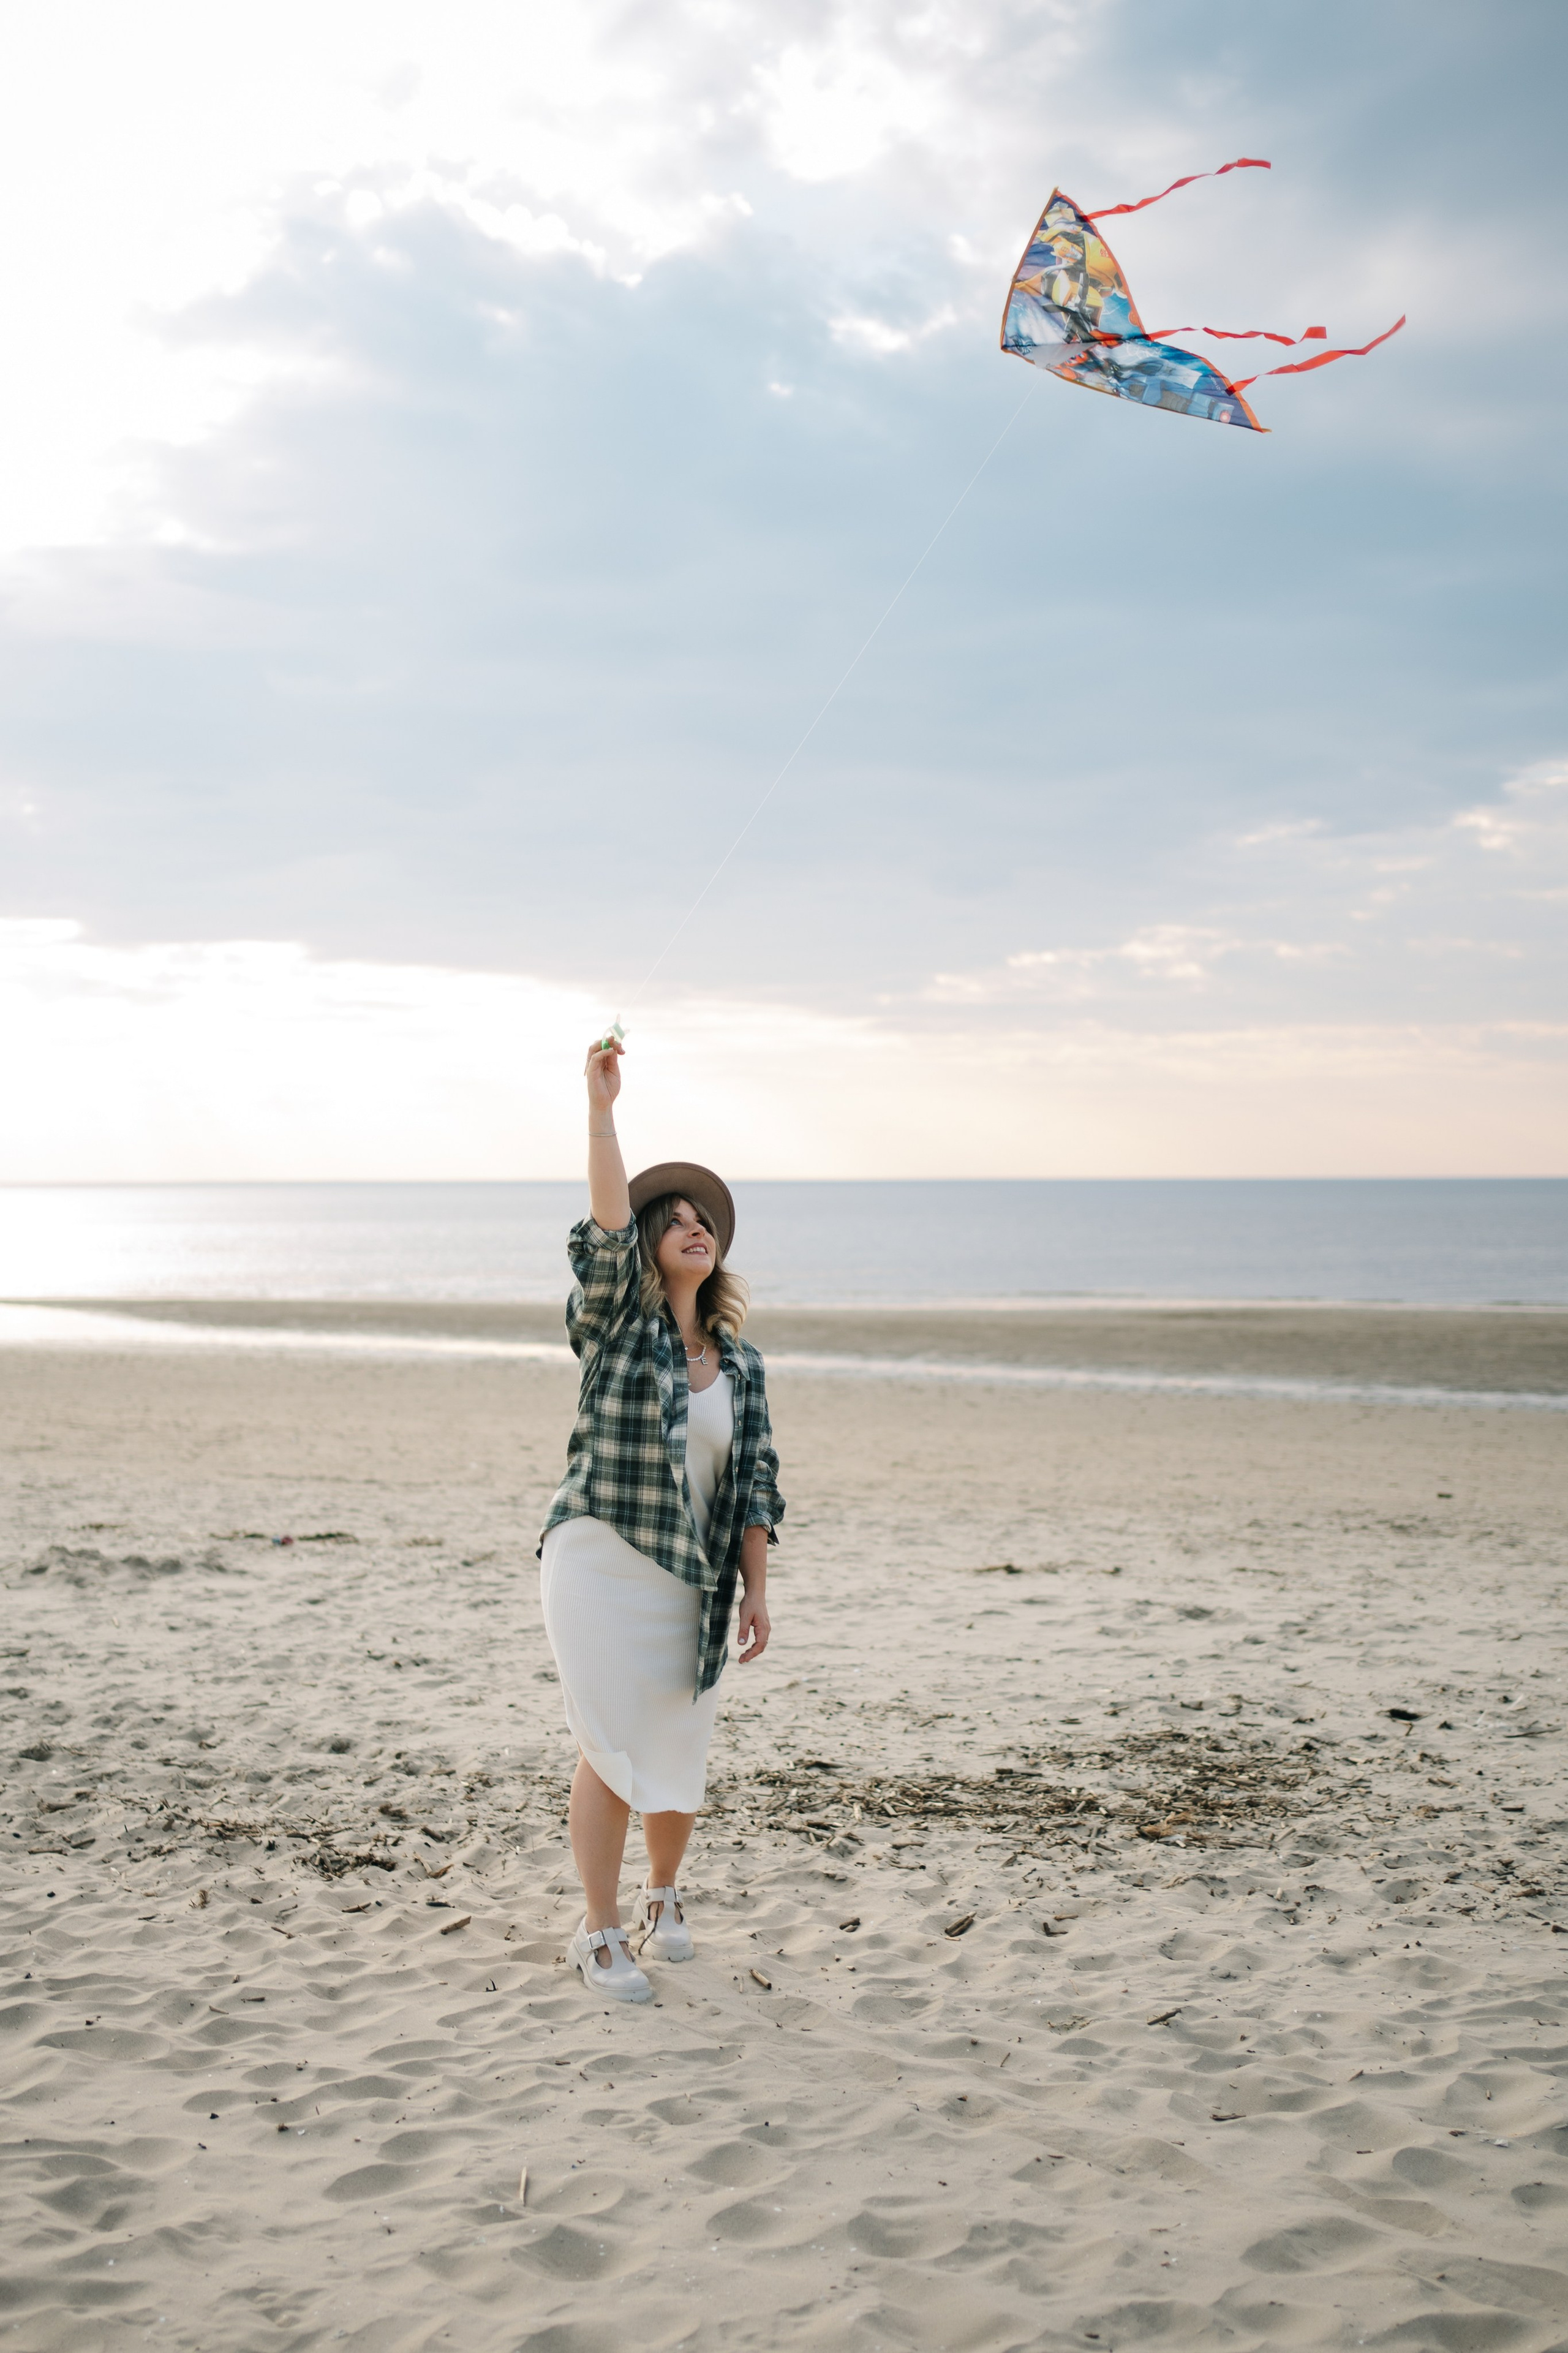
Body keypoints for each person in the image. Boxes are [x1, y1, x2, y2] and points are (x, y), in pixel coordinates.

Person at [537, 1035, 785, 2003]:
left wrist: (758, 1587)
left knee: (678, 1747)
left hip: (694, 1575)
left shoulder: (743, 1360)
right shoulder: (617, 1322)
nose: (693, 1227)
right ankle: (598, 1933)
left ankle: (663, 1895)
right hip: (599, 1556)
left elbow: (756, 1478)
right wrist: (602, 1111)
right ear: (647, 1245)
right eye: (672, 1219)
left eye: (703, 1221)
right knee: (609, 1740)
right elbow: (602, 1229)